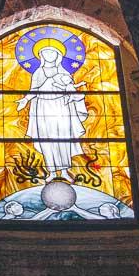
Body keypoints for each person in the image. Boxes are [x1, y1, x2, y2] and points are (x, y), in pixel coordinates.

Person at [16, 40, 88, 179]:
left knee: (63, 138)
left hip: (62, 107)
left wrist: (75, 95)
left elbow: (70, 89)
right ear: (41, 55)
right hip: (43, 109)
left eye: (52, 52)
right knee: (47, 140)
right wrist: (25, 100)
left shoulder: (64, 72)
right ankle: (52, 172)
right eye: (45, 52)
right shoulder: (38, 72)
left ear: (58, 55)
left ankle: (66, 172)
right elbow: (34, 90)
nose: (49, 55)